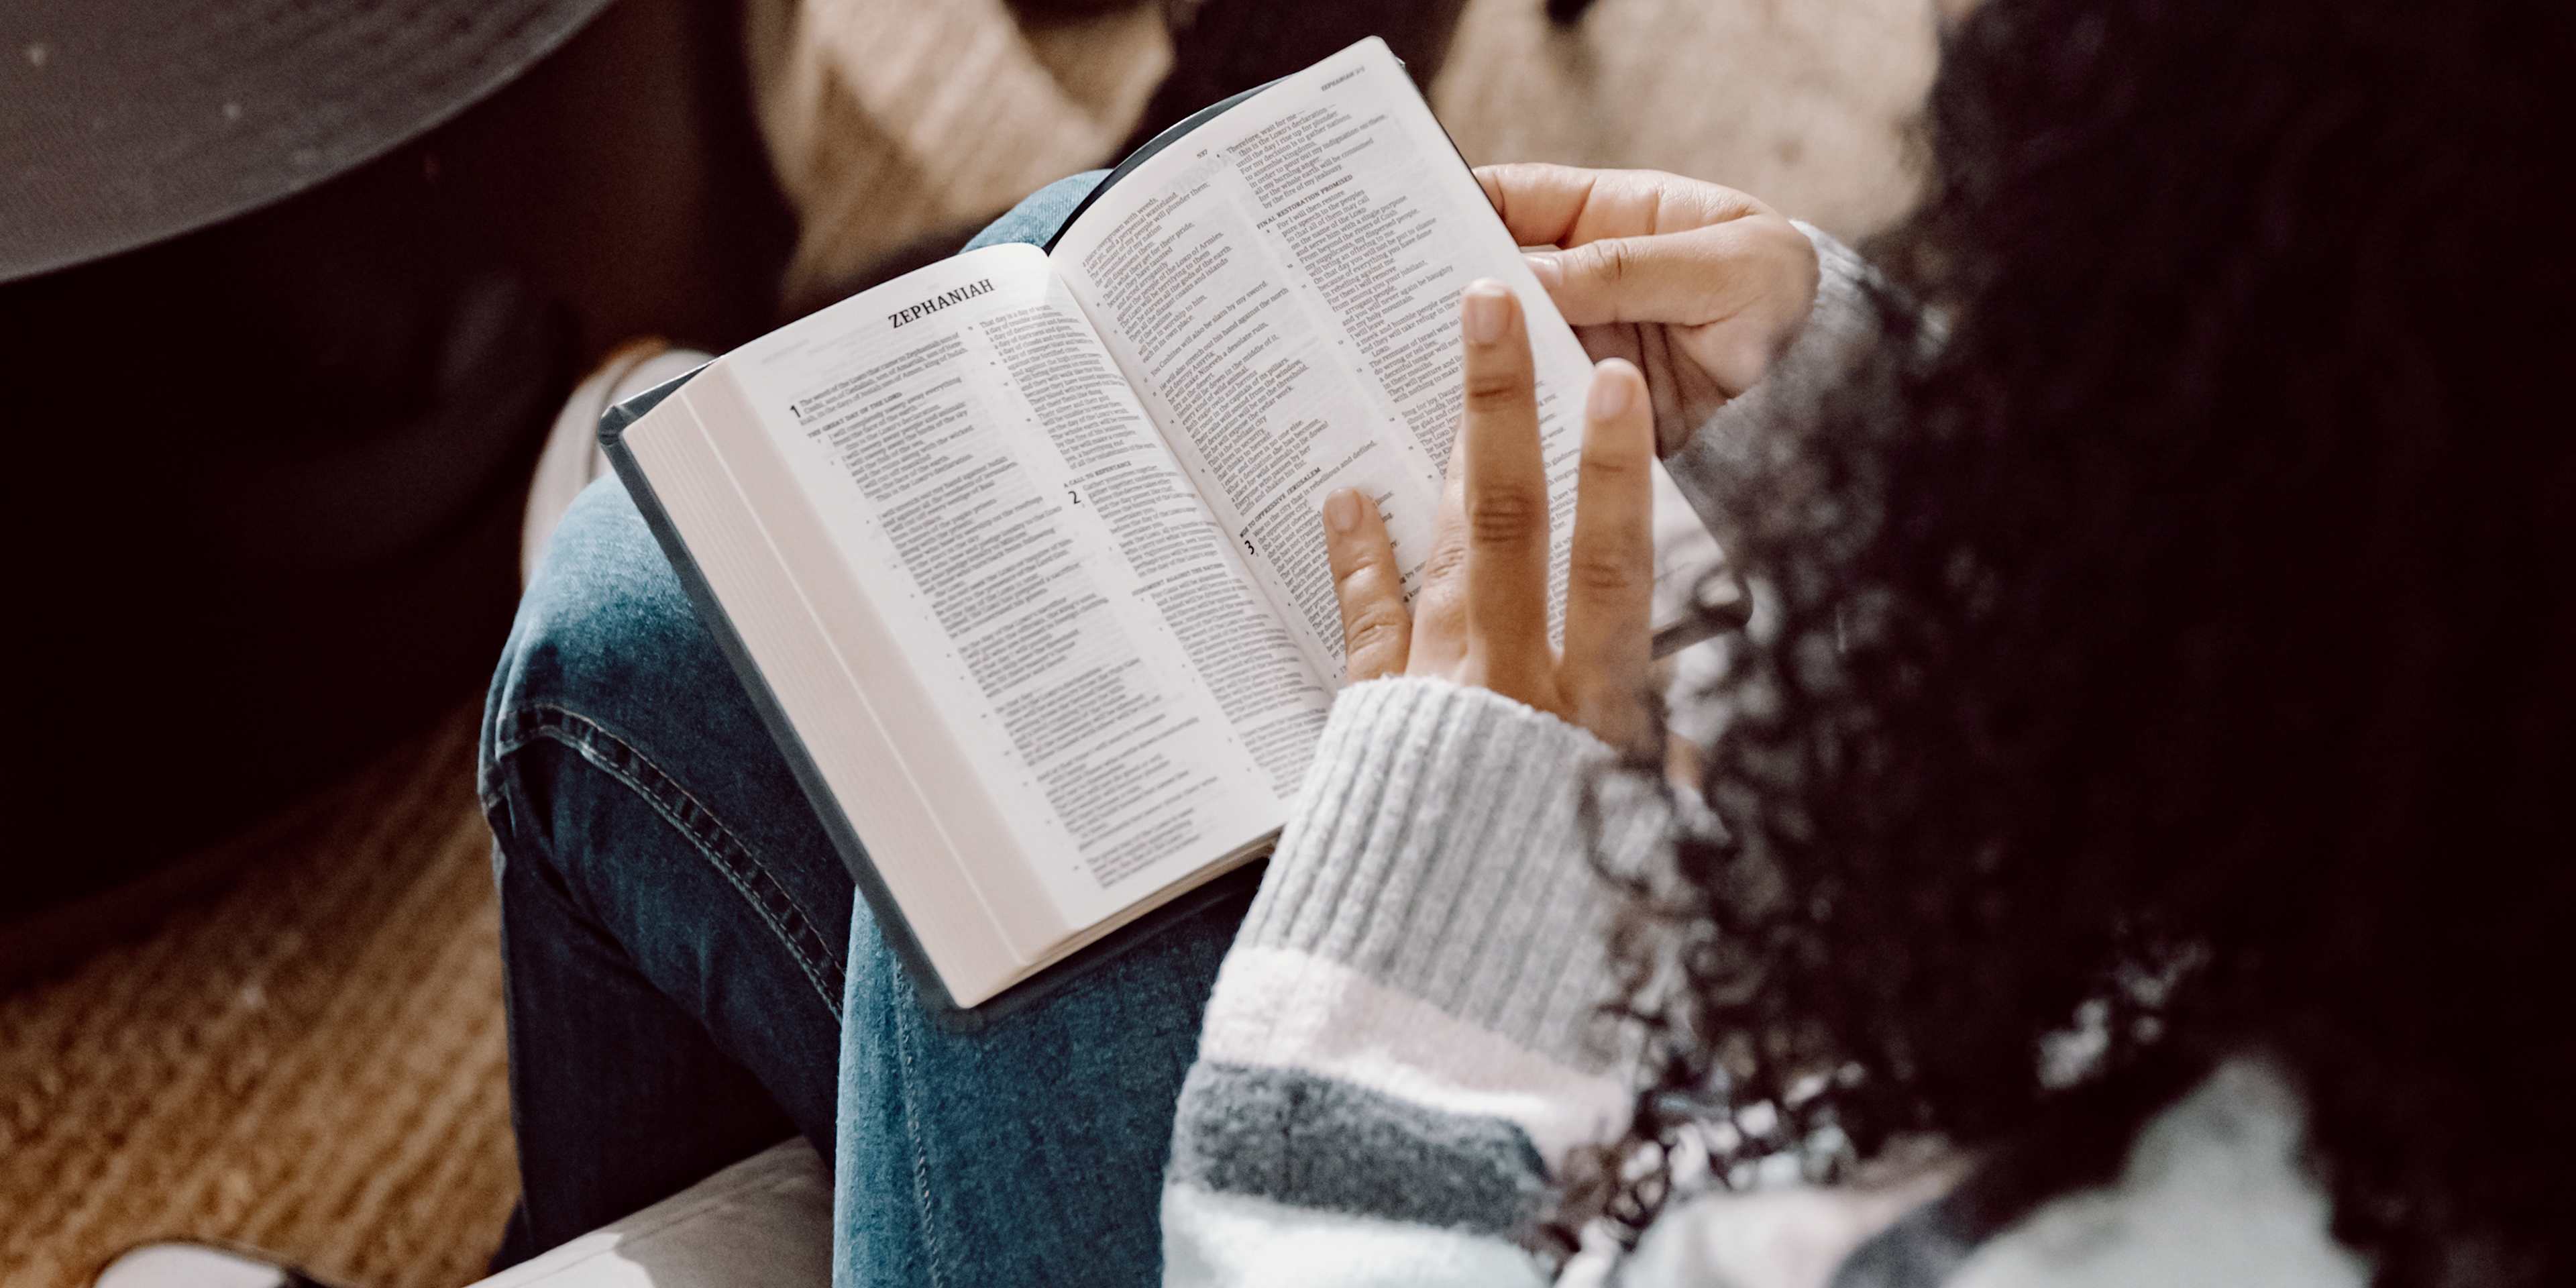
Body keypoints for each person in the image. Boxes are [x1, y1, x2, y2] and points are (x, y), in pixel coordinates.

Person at [481, 0, 2575, 1284]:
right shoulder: (2455, 791)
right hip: (1853, 1066)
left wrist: (1428, 857)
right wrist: (1895, 406)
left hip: (1400, 1221)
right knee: (632, 624)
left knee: (940, 668)